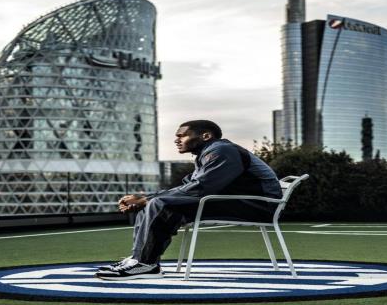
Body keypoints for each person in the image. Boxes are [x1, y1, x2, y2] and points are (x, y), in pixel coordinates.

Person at [95, 120, 282, 280]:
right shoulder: (208, 154)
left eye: (182, 135)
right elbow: (187, 187)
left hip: (258, 206)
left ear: (206, 136)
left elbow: (201, 188)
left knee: (161, 204)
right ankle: (139, 259)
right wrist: (145, 199)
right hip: (239, 201)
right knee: (155, 203)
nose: (176, 140)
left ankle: (146, 264)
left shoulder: (222, 151)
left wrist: (147, 199)